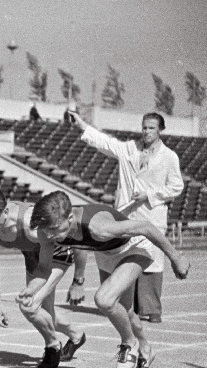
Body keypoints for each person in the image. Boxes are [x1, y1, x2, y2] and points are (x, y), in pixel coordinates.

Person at [26, 191, 189, 368]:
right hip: (106, 253)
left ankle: (129, 343)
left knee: (104, 299)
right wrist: (30, 291)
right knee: (124, 311)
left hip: (135, 247)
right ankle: (146, 349)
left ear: (70, 218)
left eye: (54, 229)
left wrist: (175, 257)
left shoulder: (98, 227)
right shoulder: (48, 230)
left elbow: (145, 227)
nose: (51, 235)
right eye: (47, 230)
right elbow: (44, 268)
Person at [68, 110, 183, 323]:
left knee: (152, 259)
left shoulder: (169, 157)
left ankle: (151, 308)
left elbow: (177, 185)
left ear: (160, 130)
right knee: (125, 255)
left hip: (151, 213)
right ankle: (126, 306)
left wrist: (150, 195)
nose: (147, 131)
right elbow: (105, 142)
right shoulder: (129, 149)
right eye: (144, 127)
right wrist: (81, 125)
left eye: (151, 128)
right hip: (125, 213)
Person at [0, 187, 88, 368]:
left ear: (5, 211)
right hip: (35, 257)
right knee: (44, 312)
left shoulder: (30, 224)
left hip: (57, 254)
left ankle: (52, 347)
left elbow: (77, 239)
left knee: (29, 306)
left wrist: (78, 280)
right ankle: (76, 335)